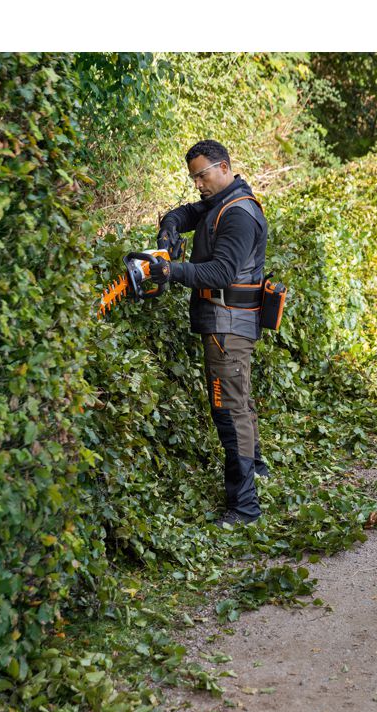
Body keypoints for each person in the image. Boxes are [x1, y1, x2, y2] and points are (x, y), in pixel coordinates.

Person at [147, 140, 270, 528]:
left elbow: (220, 274)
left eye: (202, 175)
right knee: (240, 405)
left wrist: (171, 271)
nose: (198, 184)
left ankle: (245, 509)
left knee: (229, 413)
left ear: (224, 167)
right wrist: (169, 231)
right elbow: (184, 213)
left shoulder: (238, 214)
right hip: (223, 323)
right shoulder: (220, 200)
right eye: (193, 177)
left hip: (228, 325)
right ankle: (259, 471)